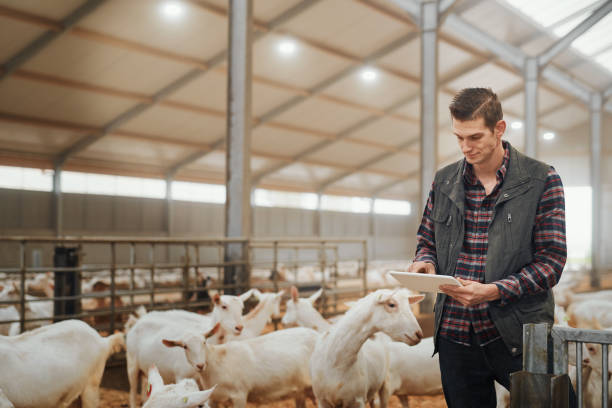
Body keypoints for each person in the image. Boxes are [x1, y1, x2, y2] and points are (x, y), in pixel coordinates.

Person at [409, 87, 575, 407]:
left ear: (499, 128)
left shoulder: (541, 180)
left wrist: (495, 290)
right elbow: (426, 239)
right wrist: (424, 263)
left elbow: (551, 262)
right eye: (458, 137)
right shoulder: (444, 181)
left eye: (474, 137)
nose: (465, 147)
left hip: (517, 332)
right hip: (455, 333)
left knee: (556, 403)